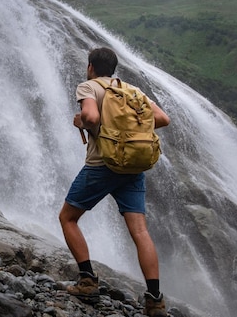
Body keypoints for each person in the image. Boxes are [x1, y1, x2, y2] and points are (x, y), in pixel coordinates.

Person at [59, 47, 171, 317]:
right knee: (140, 232)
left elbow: (92, 117)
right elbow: (162, 118)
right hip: (133, 168)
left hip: (103, 166)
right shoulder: (133, 91)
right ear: (114, 68)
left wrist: (84, 123)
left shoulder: (89, 87)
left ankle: (87, 280)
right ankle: (154, 299)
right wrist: (129, 131)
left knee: (68, 218)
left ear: (90, 67)